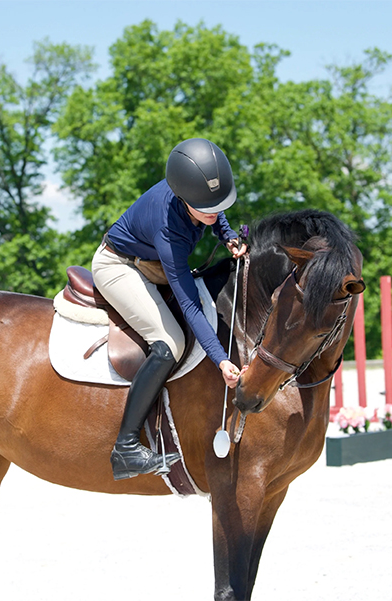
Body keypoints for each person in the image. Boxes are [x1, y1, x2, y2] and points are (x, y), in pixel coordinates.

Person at [92, 138, 249, 481]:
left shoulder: (195, 191)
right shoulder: (169, 230)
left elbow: (215, 209)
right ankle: (126, 448)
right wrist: (221, 358)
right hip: (119, 266)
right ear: (183, 194)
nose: (214, 210)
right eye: (206, 206)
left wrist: (228, 236)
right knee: (170, 342)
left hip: (149, 264)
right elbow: (190, 304)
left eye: (218, 202)